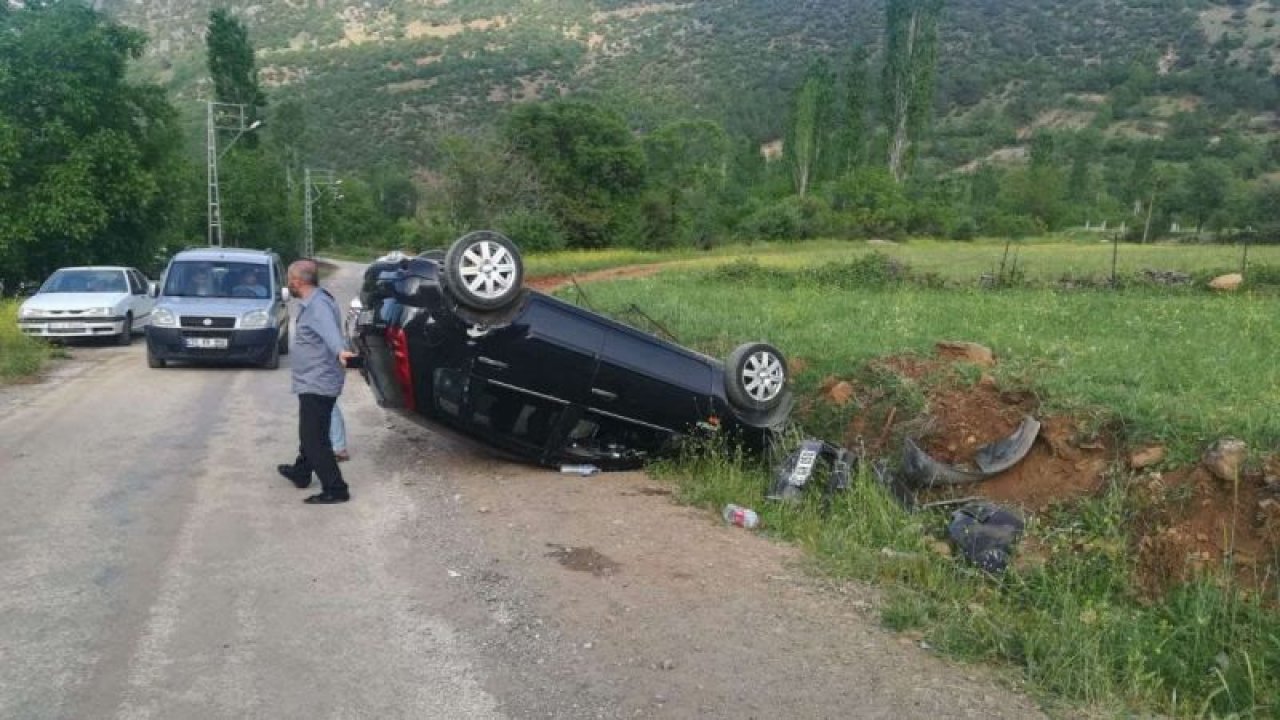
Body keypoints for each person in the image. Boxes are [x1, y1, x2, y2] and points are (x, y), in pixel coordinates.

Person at [276, 259, 356, 504]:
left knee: (314, 437)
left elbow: (332, 334)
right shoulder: (315, 300)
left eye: (289, 278)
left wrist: (341, 352)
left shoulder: (318, 305)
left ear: (298, 281)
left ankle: (336, 488)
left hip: (318, 380)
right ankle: (301, 472)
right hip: (314, 378)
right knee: (313, 429)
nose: (287, 283)